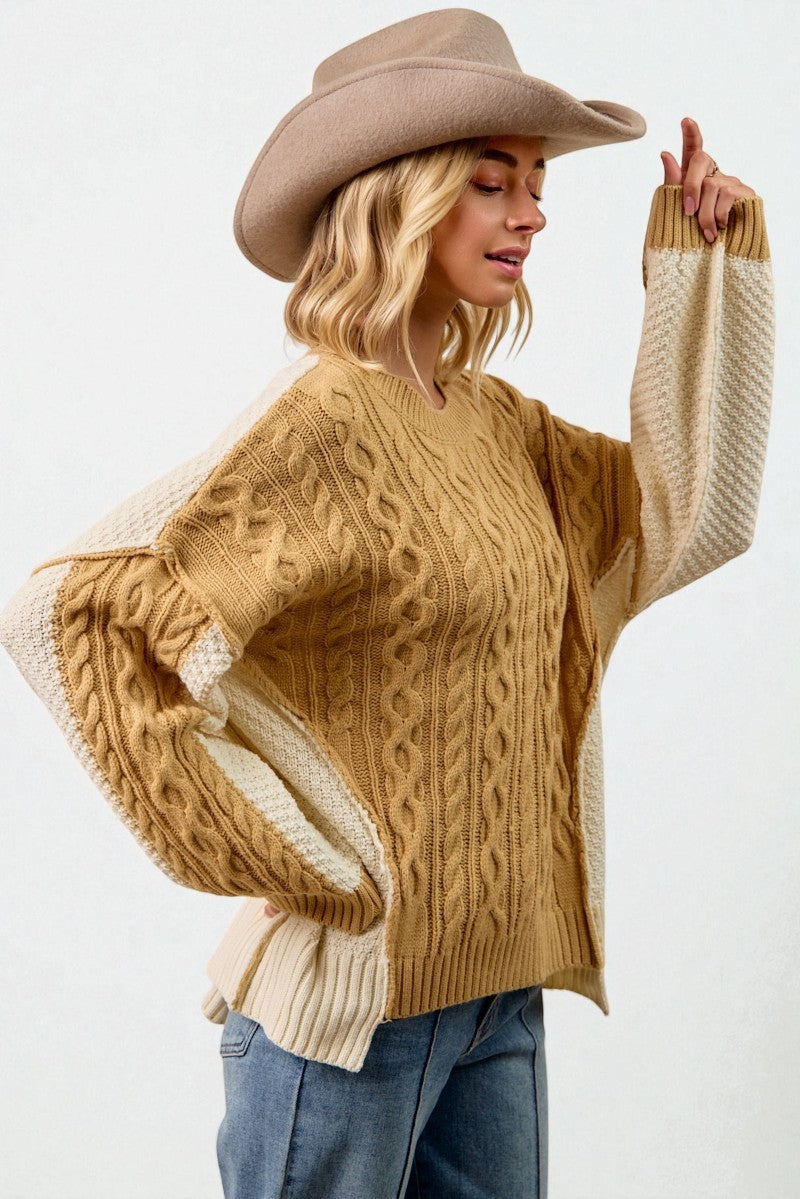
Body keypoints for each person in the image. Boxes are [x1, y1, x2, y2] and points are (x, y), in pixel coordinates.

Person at [0, 8, 774, 1199]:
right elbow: (72, 618)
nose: (531, 211)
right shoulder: (322, 423)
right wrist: (314, 857)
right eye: (489, 181)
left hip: (497, 998)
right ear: (396, 197)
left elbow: (689, 517)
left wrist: (703, 269)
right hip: (345, 1031)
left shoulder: (497, 424)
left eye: (533, 181)